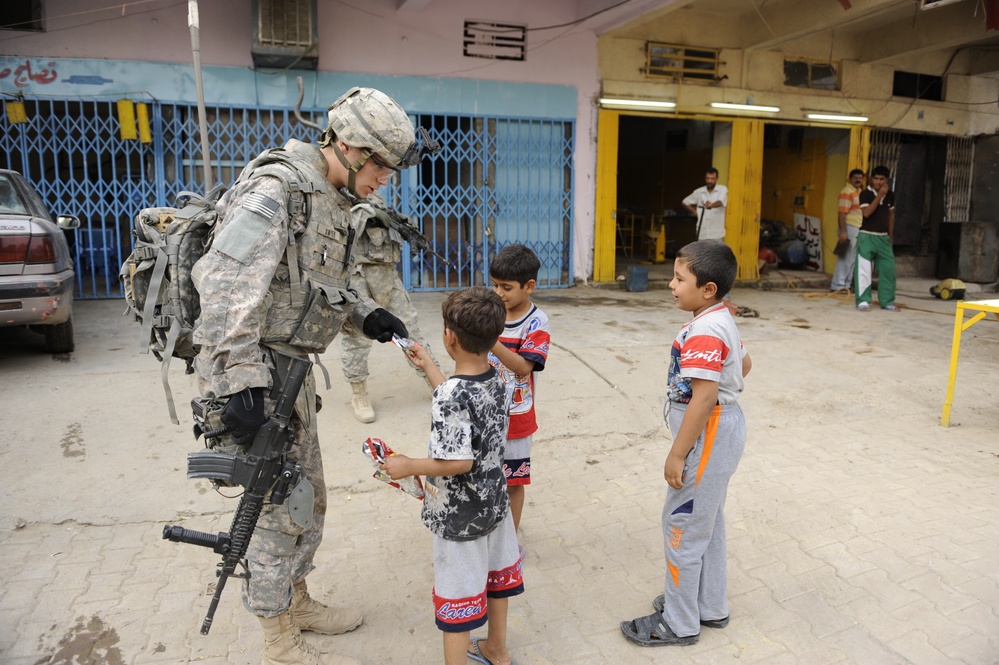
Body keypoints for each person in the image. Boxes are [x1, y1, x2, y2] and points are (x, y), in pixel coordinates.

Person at [191, 86, 433, 665]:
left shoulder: (330, 196)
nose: (385, 180)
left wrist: (362, 311)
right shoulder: (276, 188)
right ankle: (277, 640)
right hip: (257, 378)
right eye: (380, 166)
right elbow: (222, 286)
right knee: (275, 510)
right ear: (348, 146)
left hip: (293, 378)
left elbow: (311, 282)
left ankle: (296, 600)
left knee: (308, 501)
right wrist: (240, 383)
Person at [380, 286, 525, 665]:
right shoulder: (499, 377)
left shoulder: (451, 395)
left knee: (458, 595)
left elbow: (459, 461)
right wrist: (427, 364)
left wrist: (407, 465)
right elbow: (461, 396)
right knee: (496, 580)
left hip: (460, 517)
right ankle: (497, 649)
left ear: (449, 336)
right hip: (495, 503)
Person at [620, 240, 752, 648]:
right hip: (722, 429)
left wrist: (678, 452)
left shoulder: (706, 328)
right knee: (706, 522)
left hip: (708, 433)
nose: (672, 285)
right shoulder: (720, 317)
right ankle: (708, 605)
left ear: (708, 288)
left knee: (681, 525)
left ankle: (678, 622)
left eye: (680, 278)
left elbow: (705, 396)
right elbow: (744, 363)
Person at [341, 191, 441, 423]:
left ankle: (433, 379)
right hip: (358, 277)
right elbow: (345, 226)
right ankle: (359, 393)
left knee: (410, 332)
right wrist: (369, 214)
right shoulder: (343, 194)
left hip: (388, 276)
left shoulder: (379, 200)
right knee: (358, 338)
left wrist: (403, 226)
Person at [487, 244, 551, 532]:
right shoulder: (491, 312)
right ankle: (490, 529)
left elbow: (524, 367)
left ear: (529, 286)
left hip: (516, 418)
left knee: (513, 481)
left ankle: (509, 543)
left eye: (507, 287)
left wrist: (489, 340)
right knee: (487, 476)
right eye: (495, 285)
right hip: (485, 414)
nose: (499, 293)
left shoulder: (537, 322)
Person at [855, 165, 899, 312]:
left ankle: (887, 301)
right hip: (866, 236)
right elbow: (866, 213)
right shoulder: (865, 194)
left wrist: (890, 236)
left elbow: (891, 215)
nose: (878, 182)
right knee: (864, 271)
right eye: (876, 178)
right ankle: (863, 301)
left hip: (883, 238)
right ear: (871, 179)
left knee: (888, 270)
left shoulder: (891, 195)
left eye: (882, 179)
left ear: (887, 180)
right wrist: (879, 196)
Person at [830, 169, 865, 292]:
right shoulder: (847, 192)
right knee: (845, 257)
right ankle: (837, 286)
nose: (858, 180)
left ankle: (846, 285)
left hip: (857, 227)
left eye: (860, 178)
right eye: (855, 178)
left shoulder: (859, 192)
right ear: (850, 179)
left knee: (853, 258)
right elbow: (842, 214)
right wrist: (843, 231)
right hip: (849, 227)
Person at [682, 167, 728, 242]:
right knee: (702, 254)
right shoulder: (699, 192)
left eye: (712, 178)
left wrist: (711, 205)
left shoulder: (722, 189)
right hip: (702, 233)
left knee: (716, 254)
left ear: (717, 178)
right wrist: (696, 212)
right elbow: (685, 202)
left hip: (717, 234)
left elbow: (720, 202)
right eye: (707, 178)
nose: (709, 181)